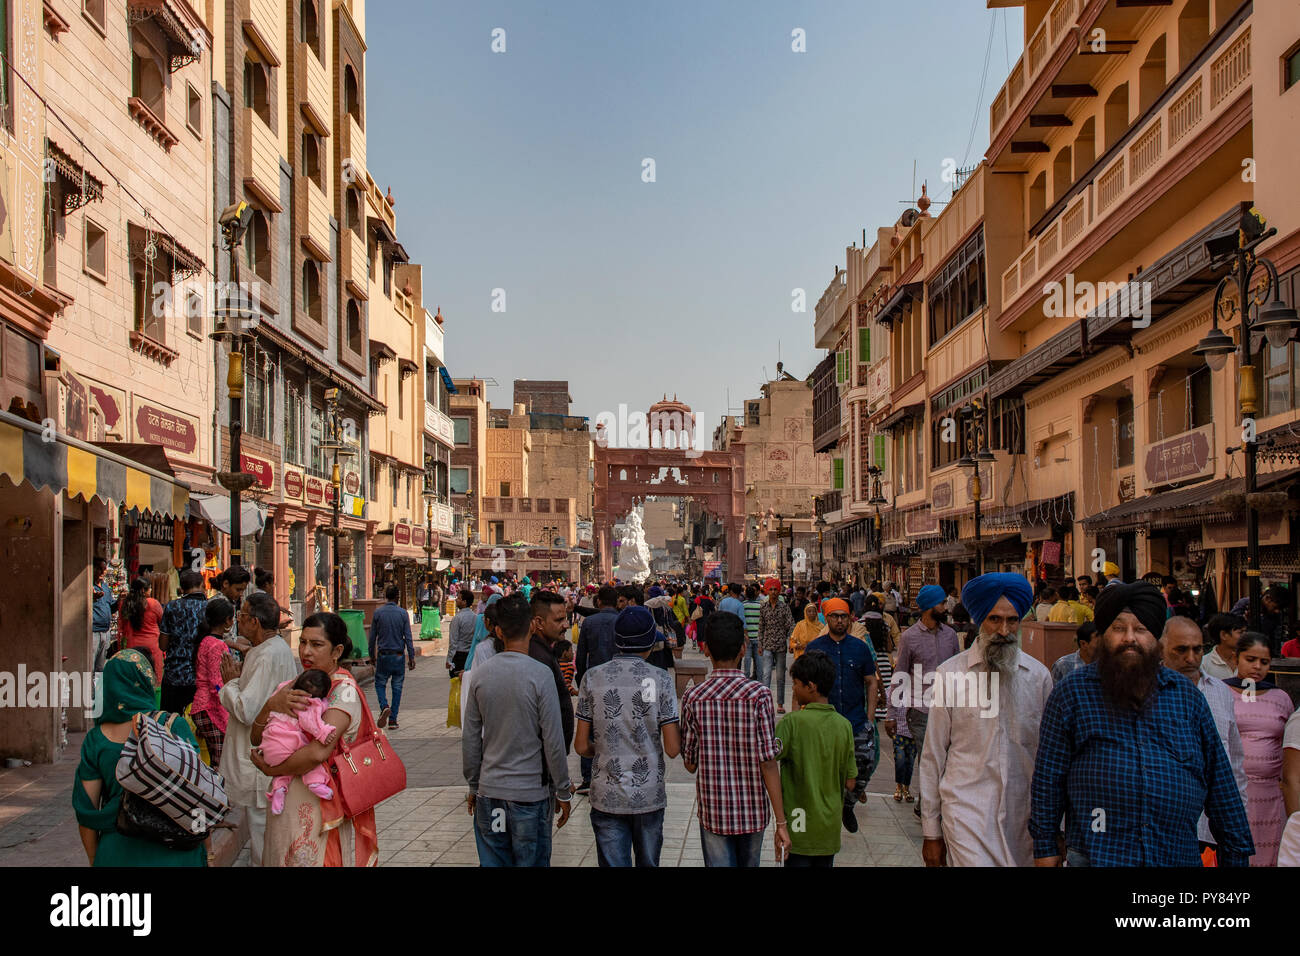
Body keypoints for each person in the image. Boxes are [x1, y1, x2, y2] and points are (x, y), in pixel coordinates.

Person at [1030, 582, 1254, 866]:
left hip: (1176, 857)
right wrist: (1046, 847)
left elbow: (1221, 785)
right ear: (1103, 635)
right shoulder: (1071, 694)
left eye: (1141, 629)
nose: (1130, 638)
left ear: (1156, 639)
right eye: (1118, 628)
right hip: (1098, 857)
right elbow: (1048, 779)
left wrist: (1235, 854)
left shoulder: (1187, 698)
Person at [920, 572, 1051, 867]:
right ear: (980, 620)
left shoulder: (1039, 677)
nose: (1004, 630)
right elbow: (933, 756)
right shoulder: (949, 675)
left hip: (1024, 820)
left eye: (1012, 620)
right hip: (966, 815)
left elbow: (1050, 757)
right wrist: (931, 832)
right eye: (994, 620)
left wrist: (1057, 828)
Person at [255, 611, 381, 867]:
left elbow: (317, 753)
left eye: (316, 644)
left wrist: (270, 769)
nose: (306, 652)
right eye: (303, 642)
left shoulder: (342, 693)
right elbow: (257, 736)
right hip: (287, 802)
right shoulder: (293, 686)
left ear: (336, 651)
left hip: (319, 806)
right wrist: (270, 706)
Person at [463, 593, 573, 867]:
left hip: (491, 793)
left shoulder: (481, 675)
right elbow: (553, 740)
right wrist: (562, 790)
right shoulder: (540, 674)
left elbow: (471, 738)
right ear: (531, 626)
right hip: (529, 796)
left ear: (498, 630)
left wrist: (474, 785)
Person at [72, 649, 205, 866]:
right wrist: (207, 851)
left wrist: (96, 859)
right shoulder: (173, 726)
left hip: (118, 851)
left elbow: (86, 813)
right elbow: (198, 793)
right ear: (146, 683)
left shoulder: (95, 740)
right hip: (177, 852)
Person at [573, 606, 680, 866]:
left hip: (606, 793)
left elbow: (580, 745)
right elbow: (673, 748)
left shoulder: (592, 678)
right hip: (648, 793)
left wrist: (601, 751)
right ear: (649, 643)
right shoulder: (660, 680)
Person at [681, 611, 789, 867]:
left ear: (706, 650)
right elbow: (768, 762)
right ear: (743, 649)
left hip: (714, 810)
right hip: (752, 812)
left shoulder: (694, 697)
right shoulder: (760, 695)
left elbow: (690, 763)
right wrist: (782, 822)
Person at [218, 591, 299, 867]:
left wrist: (230, 683)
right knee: (264, 834)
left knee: (263, 837)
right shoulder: (268, 650)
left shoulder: (267, 655)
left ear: (253, 621)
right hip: (268, 754)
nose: (238, 621)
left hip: (260, 757)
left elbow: (247, 710)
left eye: (241, 616)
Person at [1159, 615, 1249, 860]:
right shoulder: (1147, 692)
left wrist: (1238, 818)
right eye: (1181, 649)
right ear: (1161, 649)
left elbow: (1235, 765)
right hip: (1167, 831)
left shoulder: (1220, 692)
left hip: (1213, 830)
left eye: (1197, 649)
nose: (1191, 658)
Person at [775, 650, 857, 867]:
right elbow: (850, 781)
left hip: (798, 824)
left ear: (810, 686)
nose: (793, 688)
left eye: (796, 683)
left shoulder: (790, 723)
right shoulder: (844, 726)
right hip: (828, 826)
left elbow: (769, 757)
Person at [885, 583, 959, 819]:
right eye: (941, 603)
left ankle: (930, 801)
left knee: (948, 758)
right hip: (920, 709)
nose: (945, 606)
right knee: (928, 758)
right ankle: (927, 803)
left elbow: (957, 670)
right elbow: (900, 675)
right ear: (929, 607)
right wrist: (891, 713)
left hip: (948, 707)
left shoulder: (950, 635)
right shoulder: (910, 637)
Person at [806, 598, 878, 834]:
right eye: (835, 616)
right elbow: (803, 684)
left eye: (843, 616)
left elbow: (871, 682)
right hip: (823, 723)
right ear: (827, 618)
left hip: (855, 720)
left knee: (865, 762)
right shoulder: (816, 648)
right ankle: (825, 810)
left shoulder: (859, 648)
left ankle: (849, 803)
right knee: (822, 769)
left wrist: (869, 717)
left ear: (850, 618)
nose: (839, 621)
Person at [1227, 631, 1295, 866]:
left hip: (1271, 795)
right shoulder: (1219, 692)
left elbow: (1288, 742)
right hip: (1234, 791)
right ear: (1236, 658)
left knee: (1272, 852)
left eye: (1264, 662)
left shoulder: (1280, 697)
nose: (1257, 667)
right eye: (1250, 659)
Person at [260, 669, 336, 814]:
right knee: (309, 760)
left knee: (283, 770)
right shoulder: (305, 702)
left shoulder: (284, 692)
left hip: (269, 746)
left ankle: (278, 791)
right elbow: (310, 722)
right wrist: (323, 733)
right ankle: (315, 782)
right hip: (286, 742)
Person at [529, 590, 575, 751]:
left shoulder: (546, 651)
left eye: (566, 618)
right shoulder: (537, 657)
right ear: (539, 622)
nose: (566, 625)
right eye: (559, 620)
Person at [191, 597, 233, 769]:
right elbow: (216, 684)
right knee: (220, 762)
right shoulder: (217, 645)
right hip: (210, 706)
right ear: (228, 621)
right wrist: (229, 705)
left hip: (202, 705)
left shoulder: (206, 641)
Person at [158, 569, 209, 713]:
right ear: (201, 584)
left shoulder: (171, 607)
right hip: (198, 677)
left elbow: (163, 645)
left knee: (169, 723)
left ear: (182, 587)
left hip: (173, 675)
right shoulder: (208, 608)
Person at [370, 584, 416, 730]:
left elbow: (372, 637)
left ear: (385, 596)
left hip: (383, 655)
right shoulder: (403, 613)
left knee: (379, 683)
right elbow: (408, 637)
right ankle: (393, 720)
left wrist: (371, 655)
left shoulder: (378, 613)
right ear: (397, 597)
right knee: (397, 687)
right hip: (398, 656)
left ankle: (384, 705)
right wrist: (412, 656)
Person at [118, 576, 164, 686]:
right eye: (150, 588)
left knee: (134, 680)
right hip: (152, 647)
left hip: (132, 646)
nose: (151, 590)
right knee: (152, 679)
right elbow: (163, 623)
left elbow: (122, 626)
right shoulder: (153, 604)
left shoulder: (125, 604)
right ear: (144, 590)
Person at [759, 578, 795, 713]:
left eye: (775, 590)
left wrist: (791, 640)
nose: (773, 592)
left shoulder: (784, 607)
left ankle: (780, 704)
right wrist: (760, 644)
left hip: (780, 646)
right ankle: (765, 703)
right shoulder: (763, 607)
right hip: (767, 644)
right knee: (766, 675)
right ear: (767, 591)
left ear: (779, 591)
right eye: (771, 589)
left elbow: (791, 625)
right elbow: (761, 627)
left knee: (780, 676)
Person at [91, 558, 119, 673]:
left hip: (105, 632)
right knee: (91, 665)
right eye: (99, 569)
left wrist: (120, 601)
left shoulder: (105, 587)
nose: (102, 572)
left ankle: (98, 691)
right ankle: (89, 690)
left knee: (100, 668)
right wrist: (92, 598)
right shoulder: (89, 587)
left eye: (104, 569)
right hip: (93, 631)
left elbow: (112, 607)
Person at [1202, 613, 1247, 680]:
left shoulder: (1248, 661)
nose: (1245, 636)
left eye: (1245, 632)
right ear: (1223, 635)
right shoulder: (1204, 664)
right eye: (1240, 632)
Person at [447, 587, 477, 678]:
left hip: (459, 655)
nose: (456, 600)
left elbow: (453, 641)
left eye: (459, 598)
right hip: (471, 654)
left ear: (464, 602)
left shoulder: (457, 618)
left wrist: (449, 659)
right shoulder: (475, 617)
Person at [788, 600, 822, 666]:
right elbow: (792, 640)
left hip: (817, 658)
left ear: (816, 613)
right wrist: (796, 645)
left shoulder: (821, 626)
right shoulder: (800, 625)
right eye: (809, 611)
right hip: (802, 657)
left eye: (814, 611)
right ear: (805, 613)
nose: (812, 613)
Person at [742, 584, 763, 680]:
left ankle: (746, 679)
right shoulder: (760, 605)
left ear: (746, 594)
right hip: (758, 637)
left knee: (747, 660)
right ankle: (759, 680)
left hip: (747, 637)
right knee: (759, 661)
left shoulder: (743, 605)